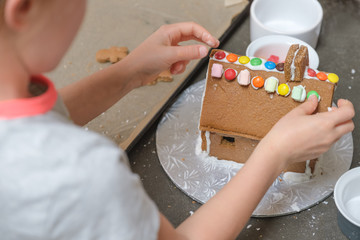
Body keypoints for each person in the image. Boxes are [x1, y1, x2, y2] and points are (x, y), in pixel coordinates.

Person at [0, 0, 354, 239]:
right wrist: (274, 152)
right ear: (24, 8)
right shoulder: (83, 175)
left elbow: (38, 118)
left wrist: (128, 74)